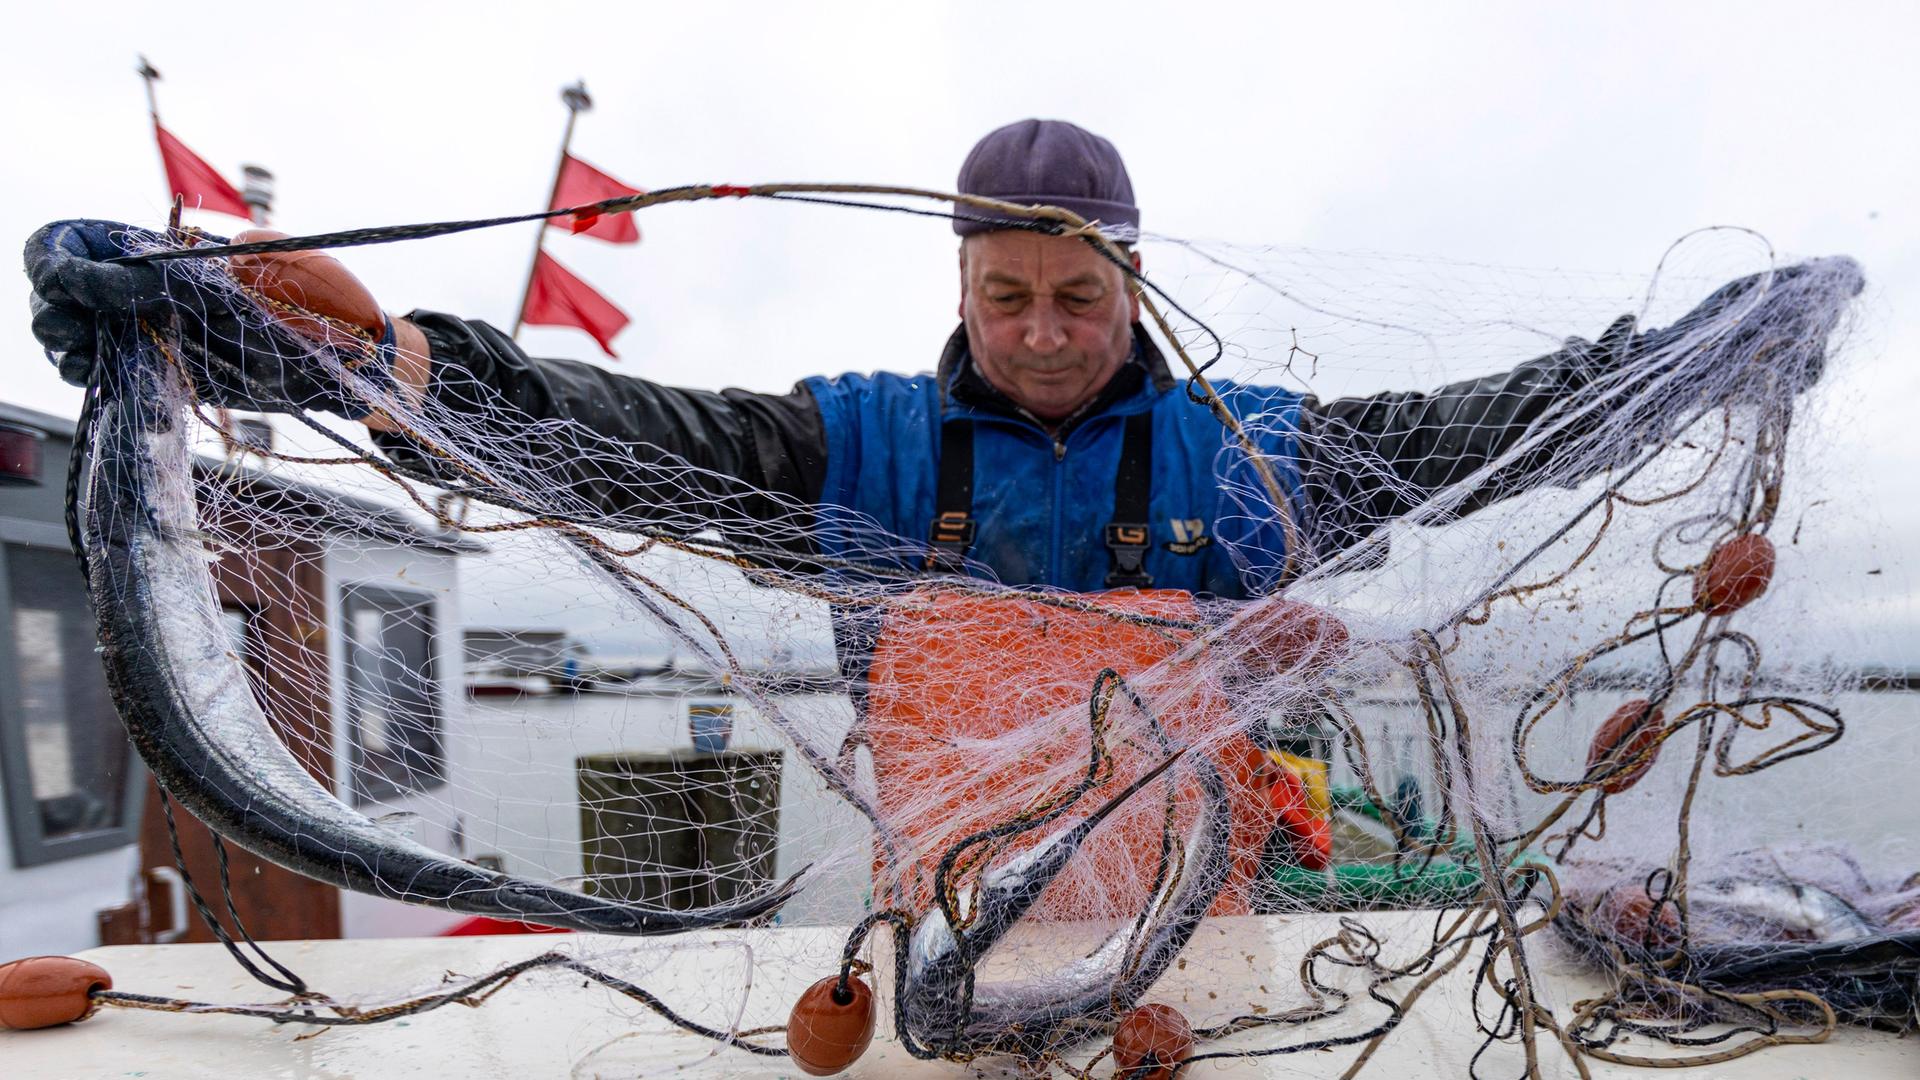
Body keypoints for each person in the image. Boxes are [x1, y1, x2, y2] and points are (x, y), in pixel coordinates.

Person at [23, 119, 1839, 914]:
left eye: (1080, 298)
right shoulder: (864, 445)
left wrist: (1688, 358)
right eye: (1006, 298)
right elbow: (602, 423)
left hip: (1220, 879)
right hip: (935, 880)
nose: (1044, 337)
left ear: (1136, 292)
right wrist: (300, 345)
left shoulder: (1245, 451)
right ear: (961, 287)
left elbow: (1481, 430)